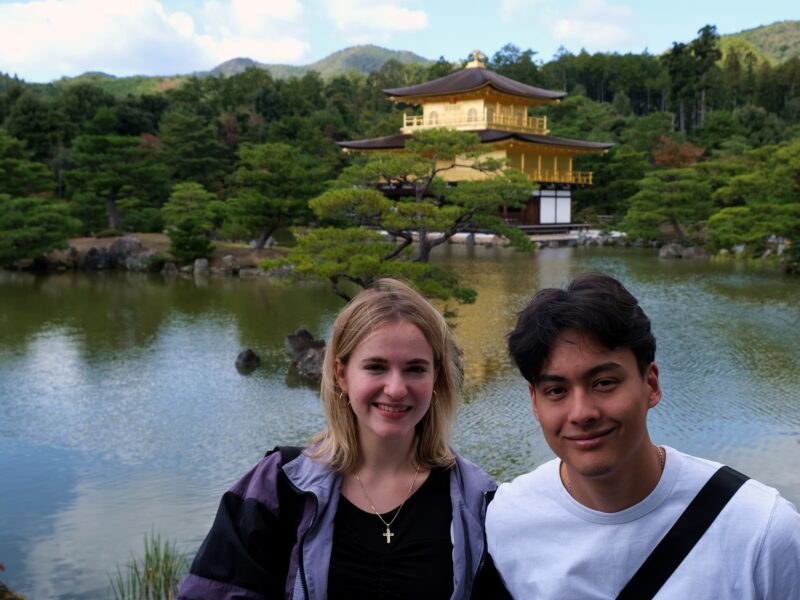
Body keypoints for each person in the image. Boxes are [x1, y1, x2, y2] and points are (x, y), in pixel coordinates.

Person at [179, 278, 504, 600]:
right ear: (341, 374)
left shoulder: (478, 500)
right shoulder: (278, 488)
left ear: (437, 377)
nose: (395, 388)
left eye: (415, 369)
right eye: (376, 367)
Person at [486, 273, 800, 599]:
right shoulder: (508, 519)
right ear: (535, 402)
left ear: (650, 385)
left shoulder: (761, 531)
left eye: (604, 382)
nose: (581, 413)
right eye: (556, 390)